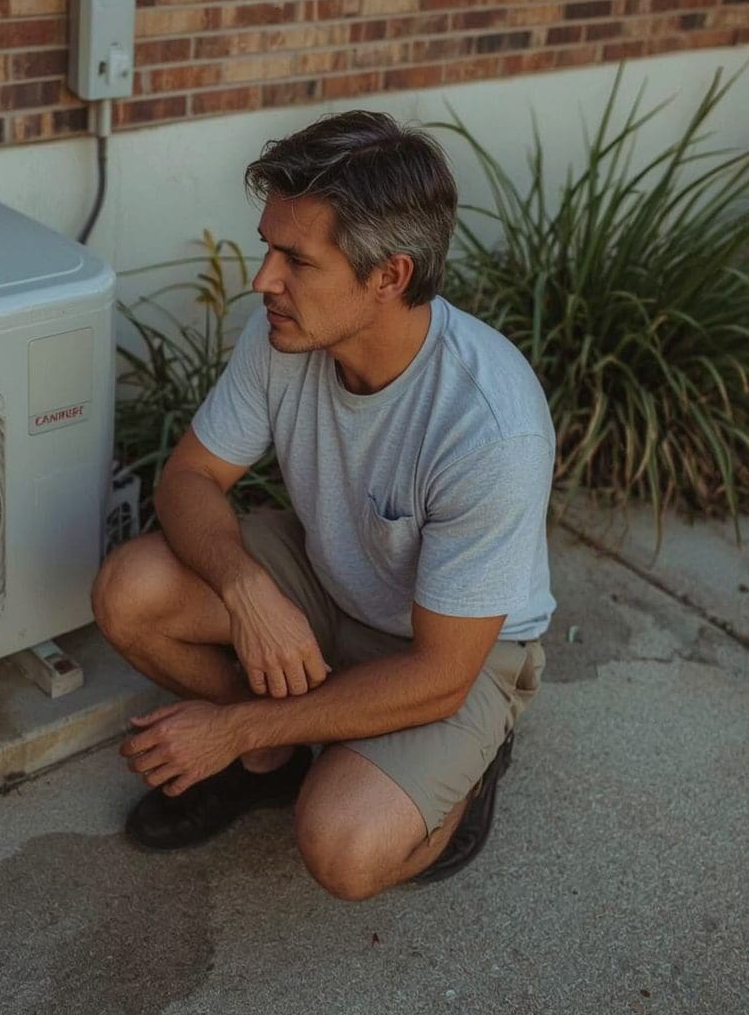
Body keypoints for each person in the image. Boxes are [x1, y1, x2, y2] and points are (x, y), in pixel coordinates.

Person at [91, 110, 554, 901]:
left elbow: (441, 675)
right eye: (270, 246)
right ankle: (269, 763)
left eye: (295, 259)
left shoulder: (489, 429)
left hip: (450, 650)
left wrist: (229, 724)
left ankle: (469, 770)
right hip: (326, 572)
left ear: (390, 276)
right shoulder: (286, 333)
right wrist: (247, 591)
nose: (263, 278)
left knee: (345, 848)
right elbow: (189, 479)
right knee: (128, 591)